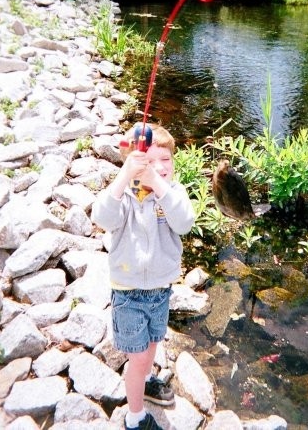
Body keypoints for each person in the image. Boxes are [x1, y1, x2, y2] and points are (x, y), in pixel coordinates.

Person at [91, 124, 195, 430]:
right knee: (136, 360)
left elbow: (184, 222)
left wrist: (158, 186)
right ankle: (134, 418)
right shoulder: (123, 197)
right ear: (133, 164)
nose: (159, 167)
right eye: (149, 161)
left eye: (166, 159)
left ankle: (148, 380)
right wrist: (124, 177)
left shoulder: (173, 193)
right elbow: (102, 217)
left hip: (161, 290)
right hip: (128, 293)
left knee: (152, 344)